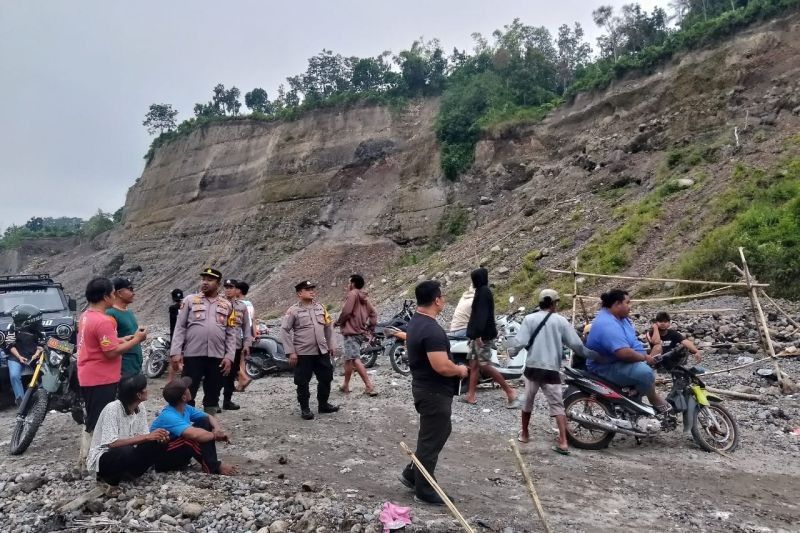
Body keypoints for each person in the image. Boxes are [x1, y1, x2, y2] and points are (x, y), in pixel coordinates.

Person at [399, 280, 469, 505]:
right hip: (433, 392)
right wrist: (460, 369)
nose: (444, 300)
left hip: (424, 388)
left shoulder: (416, 322)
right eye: (443, 297)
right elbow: (441, 366)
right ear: (437, 300)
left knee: (438, 431)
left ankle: (412, 473)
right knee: (431, 438)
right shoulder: (431, 329)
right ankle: (425, 490)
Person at [511, 289, 602, 453]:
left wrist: (512, 352)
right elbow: (577, 345)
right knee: (557, 406)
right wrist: (595, 356)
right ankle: (563, 441)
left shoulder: (529, 319)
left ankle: (524, 433)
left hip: (532, 368)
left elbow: (520, 342)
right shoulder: (561, 321)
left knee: (528, 402)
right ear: (553, 303)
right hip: (551, 370)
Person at [77, 277, 147, 469]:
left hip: (88, 375)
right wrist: (137, 339)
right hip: (102, 378)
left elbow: (102, 343)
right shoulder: (104, 320)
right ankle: (98, 465)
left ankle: (85, 460)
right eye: (112, 292)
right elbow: (110, 352)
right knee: (100, 422)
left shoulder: (86, 316)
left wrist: (123, 338)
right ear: (107, 295)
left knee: (92, 418)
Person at [585, 289, 671, 413]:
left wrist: (646, 356)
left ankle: (634, 401)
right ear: (617, 304)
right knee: (645, 374)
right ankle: (644, 401)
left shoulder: (622, 319)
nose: (630, 307)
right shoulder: (607, 323)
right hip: (605, 366)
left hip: (618, 362)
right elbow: (623, 352)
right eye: (628, 303)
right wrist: (645, 358)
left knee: (647, 368)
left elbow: (633, 342)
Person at [169, 268, 237, 414]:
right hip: (193, 354)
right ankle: (186, 425)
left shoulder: (227, 305)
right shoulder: (190, 301)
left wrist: (229, 356)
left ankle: (208, 425)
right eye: (203, 279)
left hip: (217, 356)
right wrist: (175, 352)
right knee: (188, 390)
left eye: (210, 280)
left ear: (218, 284)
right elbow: (180, 327)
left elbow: (231, 333)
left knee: (213, 391)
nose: (205, 282)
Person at [87, 374, 170, 485]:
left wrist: (159, 437)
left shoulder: (140, 407)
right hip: (105, 457)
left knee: (159, 440)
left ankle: (131, 473)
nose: (147, 390)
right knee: (125, 450)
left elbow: (143, 437)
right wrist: (147, 437)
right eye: (145, 388)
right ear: (138, 394)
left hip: (128, 453)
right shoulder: (112, 409)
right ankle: (108, 479)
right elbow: (111, 443)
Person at [150, 377, 236, 475]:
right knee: (189, 438)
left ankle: (212, 463)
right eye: (187, 388)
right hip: (161, 459)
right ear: (183, 397)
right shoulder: (169, 415)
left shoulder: (185, 407)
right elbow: (194, 435)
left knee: (204, 422)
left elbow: (208, 417)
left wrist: (217, 430)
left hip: (174, 450)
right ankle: (213, 467)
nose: (190, 389)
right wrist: (215, 436)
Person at [281, 280, 339, 420]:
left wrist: (332, 344)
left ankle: (323, 404)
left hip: (321, 351)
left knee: (326, 377)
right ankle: (305, 409)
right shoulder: (293, 311)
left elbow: (328, 327)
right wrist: (291, 352)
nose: (312, 291)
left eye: (312, 288)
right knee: (302, 381)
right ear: (300, 293)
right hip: (303, 353)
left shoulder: (321, 308)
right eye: (308, 289)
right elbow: (284, 330)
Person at [463, 268, 520, 408]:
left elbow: (481, 316)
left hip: (482, 337)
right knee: (474, 365)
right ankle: (470, 396)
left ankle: (510, 392)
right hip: (477, 335)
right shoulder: (482, 291)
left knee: (485, 365)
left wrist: (478, 336)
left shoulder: (483, 292)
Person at [335, 274, 378, 396]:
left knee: (354, 359)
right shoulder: (364, 298)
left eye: (349, 282)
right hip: (360, 331)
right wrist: (371, 327)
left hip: (351, 332)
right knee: (348, 359)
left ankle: (369, 385)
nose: (348, 285)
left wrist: (338, 322)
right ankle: (345, 385)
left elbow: (347, 311)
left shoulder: (352, 294)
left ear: (353, 284)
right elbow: (374, 313)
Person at [221, 279, 252, 410]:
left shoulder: (242, 306)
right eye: (226, 287)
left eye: (231, 287)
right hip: (219, 345)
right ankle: (212, 402)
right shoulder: (218, 304)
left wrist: (247, 344)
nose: (228, 289)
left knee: (231, 373)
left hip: (235, 345)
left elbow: (246, 327)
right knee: (216, 374)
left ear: (236, 289)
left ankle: (227, 401)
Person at [6, 304, 45, 406]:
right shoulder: (12, 327)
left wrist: (36, 354)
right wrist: (19, 357)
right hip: (16, 356)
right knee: (14, 375)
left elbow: (41, 344)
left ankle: (42, 400)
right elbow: (10, 345)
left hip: (34, 355)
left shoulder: (38, 327)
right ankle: (21, 401)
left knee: (44, 374)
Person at [106, 277, 144, 378]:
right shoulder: (110, 313)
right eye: (130, 289)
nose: (133, 293)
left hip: (136, 364)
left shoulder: (129, 312)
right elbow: (110, 343)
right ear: (119, 293)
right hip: (123, 368)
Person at [234, 280, 256, 391]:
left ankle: (244, 378)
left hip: (240, 334)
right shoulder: (250, 304)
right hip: (248, 336)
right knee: (242, 361)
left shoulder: (239, 304)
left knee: (235, 360)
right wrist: (254, 334)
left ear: (239, 291)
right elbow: (253, 320)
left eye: (236, 288)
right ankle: (240, 385)